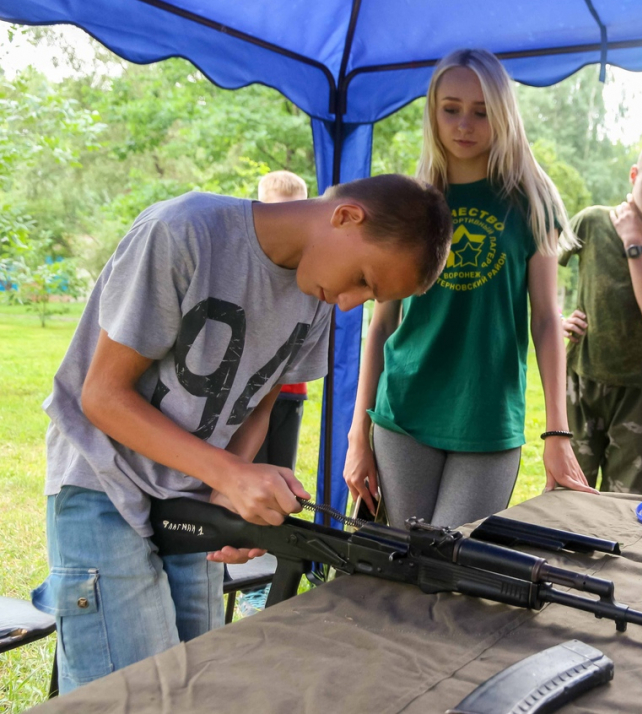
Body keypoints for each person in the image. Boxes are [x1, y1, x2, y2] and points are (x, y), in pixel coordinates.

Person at [31, 174, 453, 692]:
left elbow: (260, 402)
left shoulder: (318, 293)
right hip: (102, 479)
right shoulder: (183, 233)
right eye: (363, 278)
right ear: (345, 216)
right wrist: (231, 475)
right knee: (133, 694)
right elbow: (101, 396)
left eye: (368, 296)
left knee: (196, 682)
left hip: (190, 492)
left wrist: (223, 497)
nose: (349, 303)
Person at [343, 49, 596, 530]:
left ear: (504, 115)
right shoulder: (408, 202)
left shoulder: (532, 199)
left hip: (488, 417)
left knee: (450, 566)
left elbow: (546, 320)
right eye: (451, 109)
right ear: (433, 113)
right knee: (397, 566)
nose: (464, 124)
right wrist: (358, 435)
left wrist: (557, 434)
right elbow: (381, 327)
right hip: (405, 412)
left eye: (481, 111)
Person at [560, 142, 642, 494]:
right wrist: (558, 318)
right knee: (570, 486)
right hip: (582, 376)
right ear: (634, 175)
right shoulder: (590, 221)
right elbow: (538, 266)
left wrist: (633, 241)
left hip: (637, 386)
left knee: (625, 496)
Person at [236, 170, 311, 617]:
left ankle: (270, 572)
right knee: (246, 473)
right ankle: (248, 579)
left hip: (288, 395)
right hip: (245, 398)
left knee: (279, 475)